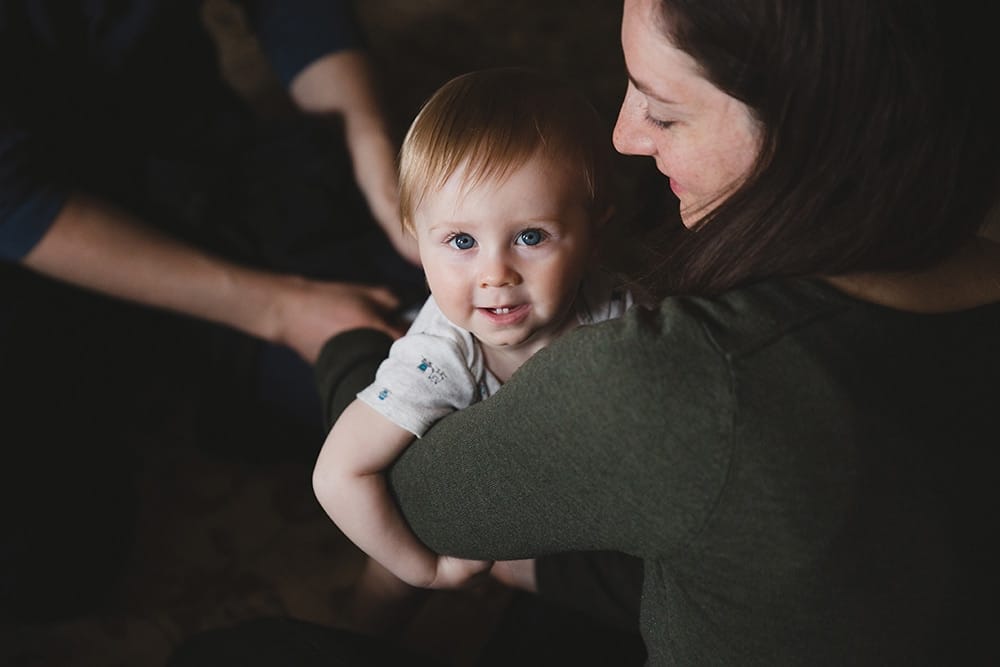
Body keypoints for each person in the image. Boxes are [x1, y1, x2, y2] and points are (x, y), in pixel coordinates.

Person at [171, 0, 1000, 664]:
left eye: (663, 111)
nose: (624, 136)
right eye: (457, 242)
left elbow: (422, 502)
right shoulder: (968, 252)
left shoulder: (666, 369)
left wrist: (344, 344)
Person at [0, 0, 424, 623]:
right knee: (56, 560)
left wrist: (370, 154)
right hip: (30, 249)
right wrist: (281, 309)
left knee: (435, 278)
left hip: (192, 154)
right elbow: (14, 202)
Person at [311, 67, 633, 632]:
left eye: (530, 237)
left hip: (558, 491)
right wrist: (424, 571)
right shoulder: (439, 357)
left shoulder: (623, 314)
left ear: (594, 235)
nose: (495, 274)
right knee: (391, 561)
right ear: (416, 240)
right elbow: (338, 475)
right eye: (462, 241)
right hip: (445, 480)